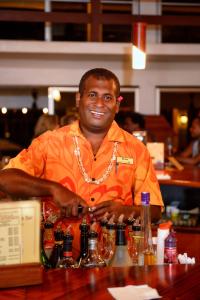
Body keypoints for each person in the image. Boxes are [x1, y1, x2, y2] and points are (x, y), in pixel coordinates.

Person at [0, 68, 163, 252]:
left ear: (117, 105)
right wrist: (54, 189)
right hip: (56, 261)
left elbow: (155, 211)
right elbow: (5, 179)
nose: (100, 103)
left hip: (117, 262)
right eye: (92, 95)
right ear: (79, 99)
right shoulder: (50, 142)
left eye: (108, 97)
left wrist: (127, 212)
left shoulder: (136, 149)